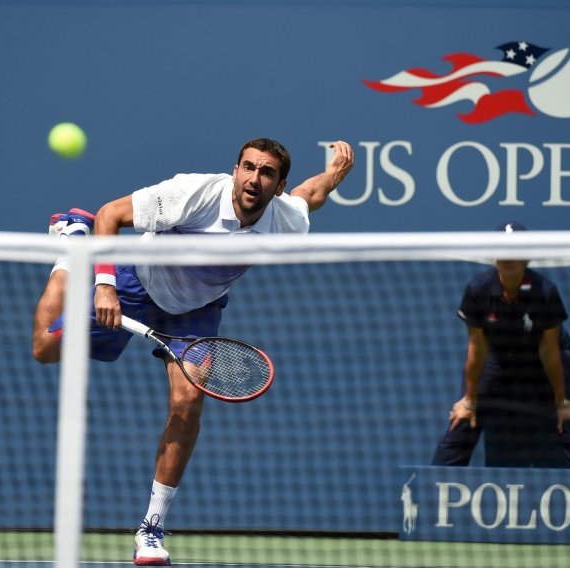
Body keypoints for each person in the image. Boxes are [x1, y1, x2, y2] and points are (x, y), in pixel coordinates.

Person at [32, 138, 354, 566]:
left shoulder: (283, 220)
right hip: (135, 282)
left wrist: (334, 173)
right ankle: (72, 242)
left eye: (267, 173)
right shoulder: (194, 195)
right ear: (235, 170)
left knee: (188, 402)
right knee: (44, 347)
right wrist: (104, 284)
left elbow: (310, 197)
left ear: (278, 186)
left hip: (195, 311)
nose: (255, 178)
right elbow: (111, 214)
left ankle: (150, 529)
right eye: (249, 168)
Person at [431, 221, 570, 470]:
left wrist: (561, 402)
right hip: (497, 358)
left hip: (540, 361)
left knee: (568, 423)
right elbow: (478, 348)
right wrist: (469, 400)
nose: (508, 256)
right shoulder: (478, 291)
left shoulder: (545, 292)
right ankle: (429, 498)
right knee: (463, 421)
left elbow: (549, 350)